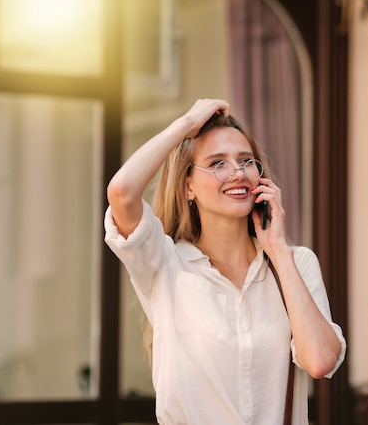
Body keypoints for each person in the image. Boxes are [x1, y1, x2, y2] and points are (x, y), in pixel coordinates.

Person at [104, 98, 346, 424]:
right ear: (188, 186)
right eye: (218, 163)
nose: (237, 173)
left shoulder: (296, 264)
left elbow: (319, 361)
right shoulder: (165, 264)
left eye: (246, 161)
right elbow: (121, 191)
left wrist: (277, 249)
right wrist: (186, 124)